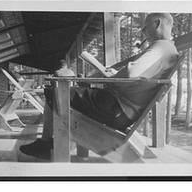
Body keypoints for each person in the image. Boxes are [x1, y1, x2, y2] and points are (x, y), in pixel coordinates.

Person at [20, 13, 179, 160]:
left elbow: (132, 72)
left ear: (157, 23)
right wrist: (116, 74)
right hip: (122, 109)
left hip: (116, 108)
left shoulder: (161, 47)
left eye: (145, 27)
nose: (143, 31)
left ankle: (45, 143)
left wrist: (112, 76)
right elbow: (139, 75)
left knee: (54, 92)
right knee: (60, 94)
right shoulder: (168, 50)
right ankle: (46, 142)